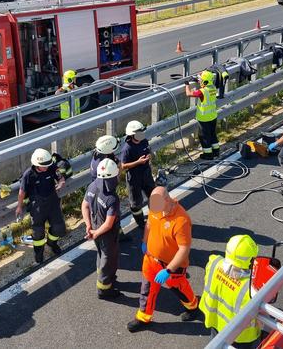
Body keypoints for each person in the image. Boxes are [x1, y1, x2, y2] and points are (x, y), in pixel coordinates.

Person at [127, 186, 199, 332]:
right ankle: (144, 317)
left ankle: (192, 306)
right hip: (150, 260)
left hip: (171, 267)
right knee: (147, 289)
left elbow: (184, 249)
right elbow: (148, 224)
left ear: (167, 199)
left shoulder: (181, 220)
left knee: (180, 288)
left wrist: (168, 269)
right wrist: (144, 241)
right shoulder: (156, 207)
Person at [200, 235, 262, 349]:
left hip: (215, 322)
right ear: (250, 260)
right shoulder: (251, 287)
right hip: (241, 336)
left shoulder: (214, 263)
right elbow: (260, 314)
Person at [16, 148, 66, 264]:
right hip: (37, 206)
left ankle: (52, 243)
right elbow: (22, 192)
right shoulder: (28, 175)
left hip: (52, 202)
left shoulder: (51, 167)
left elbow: (61, 177)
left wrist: (61, 183)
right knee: (38, 232)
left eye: (48, 165)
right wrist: (19, 206)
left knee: (59, 227)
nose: (46, 168)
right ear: (36, 164)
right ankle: (39, 252)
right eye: (44, 166)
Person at [82, 158, 122, 300]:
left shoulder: (92, 186)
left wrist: (89, 226)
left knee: (100, 255)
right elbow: (109, 224)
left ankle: (106, 277)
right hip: (106, 234)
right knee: (108, 258)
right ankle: (104, 289)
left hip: (95, 228)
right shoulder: (112, 198)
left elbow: (85, 205)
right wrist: (96, 233)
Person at [120, 120, 155, 229]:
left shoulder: (144, 141)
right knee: (136, 203)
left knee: (154, 196)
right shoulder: (127, 149)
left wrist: (149, 157)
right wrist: (138, 162)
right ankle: (140, 223)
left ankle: (155, 217)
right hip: (134, 178)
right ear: (132, 134)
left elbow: (148, 150)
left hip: (146, 174)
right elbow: (123, 166)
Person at [185, 70, 220, 160]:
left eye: (200, 80)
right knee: (212, 134)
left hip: (204, 118)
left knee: (204, 137)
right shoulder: (213, 87)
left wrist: (187, 85)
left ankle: (208, 154)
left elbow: (188, 94)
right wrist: (198, 79)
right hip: (213, 116)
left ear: (204, 82)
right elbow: (205, 84)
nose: (199, 81)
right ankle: (216, 151)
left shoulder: (202, 92)